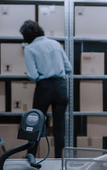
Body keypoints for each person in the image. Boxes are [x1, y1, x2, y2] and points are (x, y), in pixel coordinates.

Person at [20, 20, 72, 158]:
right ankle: (60, 162)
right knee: (59, 129)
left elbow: (33, 75)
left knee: (34, 123)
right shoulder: (55, 44)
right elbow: (69, 68)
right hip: (61, 87)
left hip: (44, 88)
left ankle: (31, 157)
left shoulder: (29, 48)